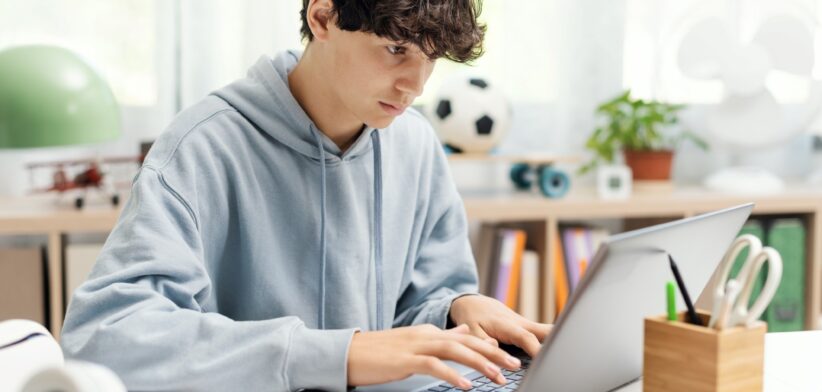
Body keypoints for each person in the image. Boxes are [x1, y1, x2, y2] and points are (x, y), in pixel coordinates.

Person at [61, 0, 552, 390]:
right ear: (323, 17)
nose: (414, 86)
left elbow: (415, 307)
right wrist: (334, 355)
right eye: (396, 49)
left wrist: (455, 308)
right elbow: (105, 339)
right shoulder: (202, 146)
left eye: (430, 59)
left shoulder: (415, 143)